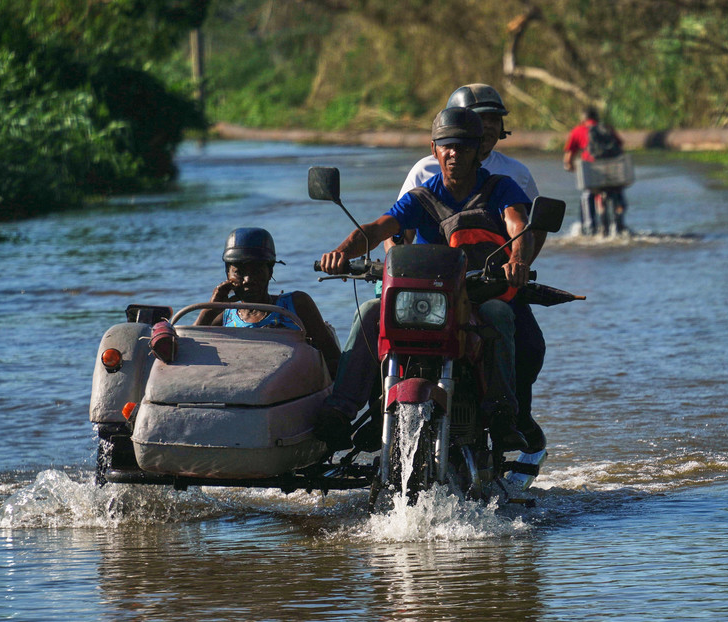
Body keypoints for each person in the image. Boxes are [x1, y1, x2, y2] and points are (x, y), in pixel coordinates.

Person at [314, 107, 538, 453]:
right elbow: (378, 228)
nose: (453, 153)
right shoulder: (423, 196)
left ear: (479, 150)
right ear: (434, 150)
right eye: (446, 146)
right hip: (426, 300)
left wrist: (518, 259)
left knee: (500, 316)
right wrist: (341, 252)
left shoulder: (499, 188)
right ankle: (342, 411)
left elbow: (517, 223)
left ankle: (502, 414)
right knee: (370, 312)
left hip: (477, 294)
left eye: (463, 146)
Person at [394, 83, 548, 453]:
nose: (489, 127)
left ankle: (513, 414)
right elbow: (398, 227)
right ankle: (376, 413)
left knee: (527, 345)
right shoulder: (424, 171)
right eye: (481, 119)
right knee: (380, 333)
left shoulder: (513, 174)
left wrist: (517, 265)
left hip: (490, 283)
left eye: (495, 120)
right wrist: (392, 271)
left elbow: (530, 227)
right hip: (429, 289)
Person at [196, 227, 341, 378]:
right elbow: (187, 352)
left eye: (256, 271)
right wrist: (210, 309)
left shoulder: (295, 306)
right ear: (227, 273)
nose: (248, 280)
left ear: (270, 271)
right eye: (239, 272)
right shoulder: (225, 317)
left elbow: (334, 360)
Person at [563, 106, 628, 234]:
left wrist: (570, 166)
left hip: (592, 170)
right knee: (616, 191)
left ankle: (590, 227)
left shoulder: (578, 131)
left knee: (588, 193)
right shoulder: (607, 129)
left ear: (583, 118)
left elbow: (568, 158)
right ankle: (619, 223)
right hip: (613, 169)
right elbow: (620, 147)